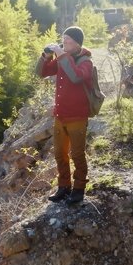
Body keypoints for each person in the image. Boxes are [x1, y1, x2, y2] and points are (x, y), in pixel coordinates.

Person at [35, 26, 93, 204]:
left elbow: (76, 77)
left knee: (77, 154)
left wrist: (60, 54)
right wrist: (46, 56)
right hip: (60, 116)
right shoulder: (62, 58)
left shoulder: (86, 62)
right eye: (63, 39)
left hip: (77, 117)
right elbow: (42, 73)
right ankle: (64, 186)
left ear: (77, 44)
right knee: (60, 154)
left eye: (68, 40)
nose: (64, 43)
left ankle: (79, 188)